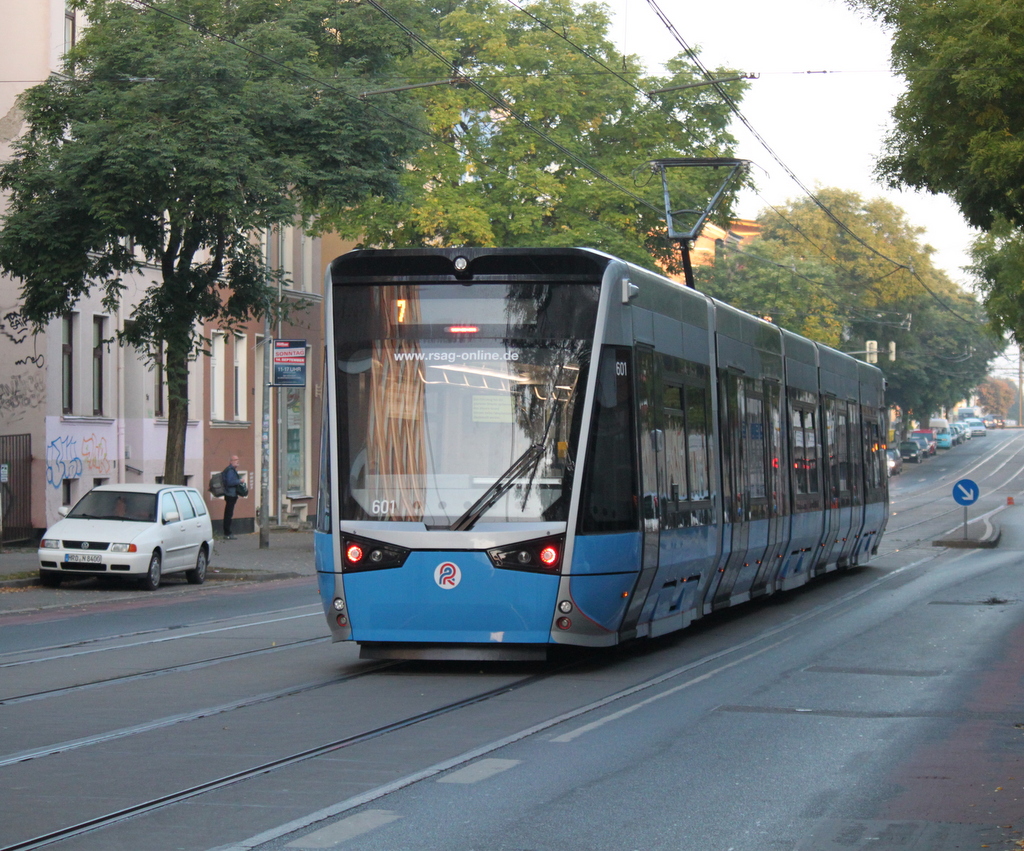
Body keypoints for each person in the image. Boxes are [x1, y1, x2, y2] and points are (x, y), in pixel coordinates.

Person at [222, 455, 243, 539]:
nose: (237, 461)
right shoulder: (230, 470)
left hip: (231, 494)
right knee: (228, 514)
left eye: (238, 459)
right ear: (231, 461)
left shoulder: (231, 470)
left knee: (229, 514)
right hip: (230, 494)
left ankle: (227, 532)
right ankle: (227, 533)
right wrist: (239, 481)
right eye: (235, 460)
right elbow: (230, 482)